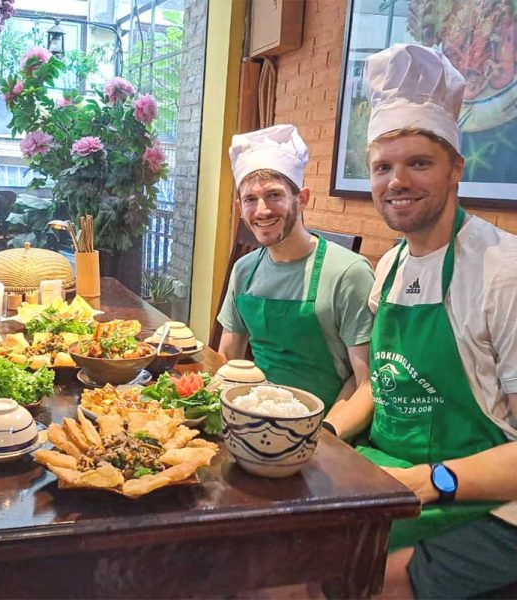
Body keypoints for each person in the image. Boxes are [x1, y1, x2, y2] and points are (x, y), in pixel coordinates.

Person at [339, 44, 517, 598]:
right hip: (389, 469)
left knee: (354, 581)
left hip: (484, 496)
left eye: (419, 163)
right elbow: (381, 384)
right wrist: (321, 433)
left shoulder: (501, 273)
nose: (397, 182)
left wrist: (434, 480)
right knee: (273, 555)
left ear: (456, 169)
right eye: (383, 168)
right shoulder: (390, 264)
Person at [217, 124, 375, 414]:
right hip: (252, 415)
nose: (262, 210)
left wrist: (327, 433)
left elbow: (365, 382)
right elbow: (228, 356)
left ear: (302, 199)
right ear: (240, 207)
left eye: (274, 195)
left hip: (326, 423)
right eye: (250, 199)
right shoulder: (244, 270)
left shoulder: (349, 272)